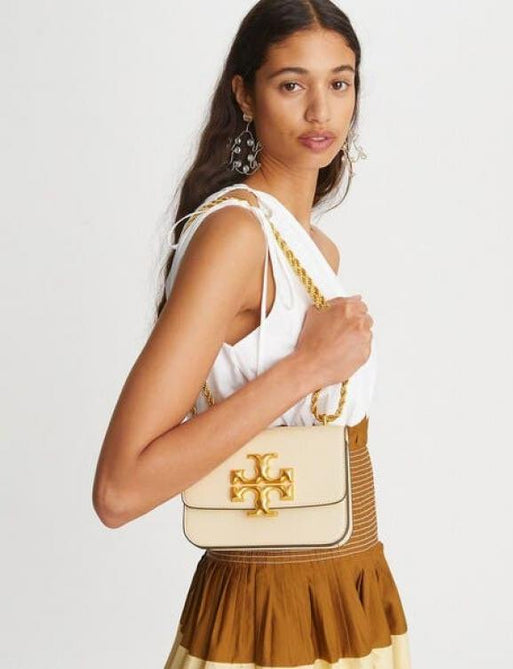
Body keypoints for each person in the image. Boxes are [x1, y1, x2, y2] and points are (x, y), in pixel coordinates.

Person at [92, 1, 412, 667]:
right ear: (244, 94)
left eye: (340, 83)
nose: (320, 111)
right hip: (269, 612)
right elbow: (120, 489)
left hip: (350, 594)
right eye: (291, 84)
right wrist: (305, 369)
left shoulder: (313, 249)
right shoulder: (235, 235)